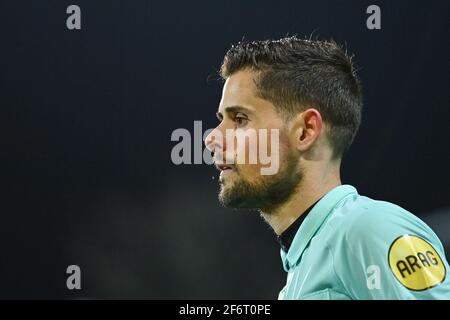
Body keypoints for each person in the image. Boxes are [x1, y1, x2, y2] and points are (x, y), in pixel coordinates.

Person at [204, 36, 450, 299]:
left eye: (240, 119)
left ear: (306, 131)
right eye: (222, 120)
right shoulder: (302, 269)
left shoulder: (368, 230)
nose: (212, 138)